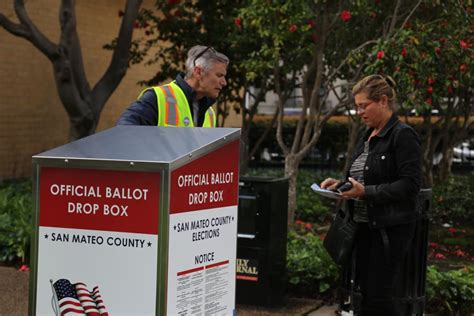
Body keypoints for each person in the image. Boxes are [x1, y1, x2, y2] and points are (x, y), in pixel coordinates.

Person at [320, 75, 421, 315]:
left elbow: (410, 185)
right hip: (363, 227)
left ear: (383, 101)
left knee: (379, 296)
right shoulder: (367, 137)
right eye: (357, 106)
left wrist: (366, 192)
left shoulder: (402, 135)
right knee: (365, 294)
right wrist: (340, 185)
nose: (359, 112)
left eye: (363, 105)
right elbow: (364, 176)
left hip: (389, 229)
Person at [117, 45, 229, 127]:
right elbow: (125, 131)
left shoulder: (210, 113)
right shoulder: (157, 97)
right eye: (219, 75)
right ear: (198, 72)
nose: (224, 82)